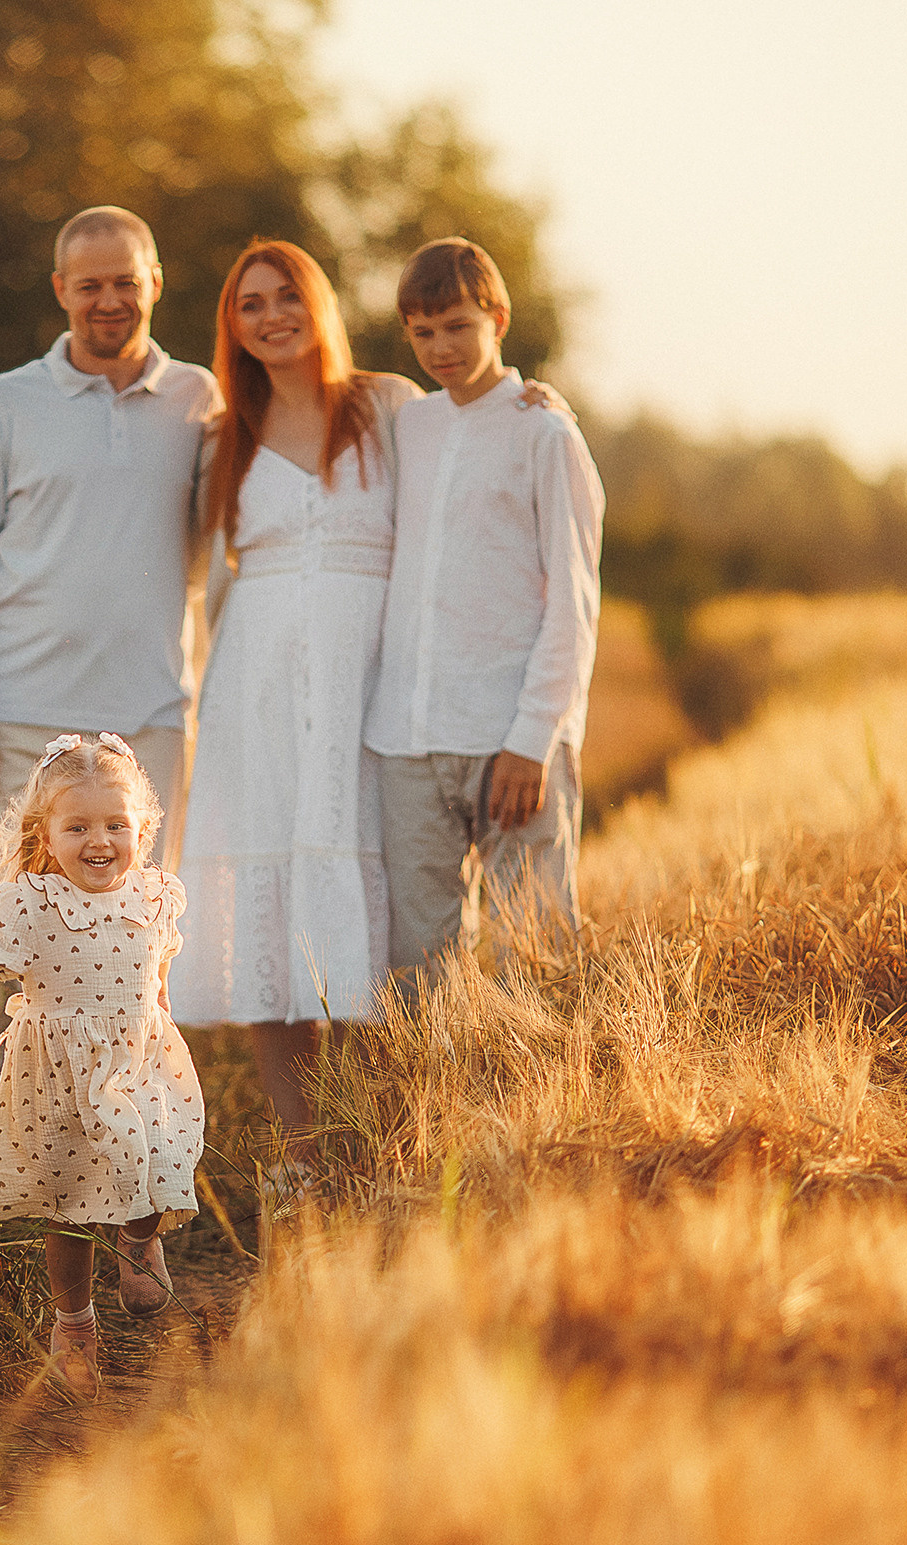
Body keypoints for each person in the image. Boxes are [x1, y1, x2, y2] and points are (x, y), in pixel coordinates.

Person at [173, 238, 564, 1202]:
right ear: (233, 324)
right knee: (272, 909)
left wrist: (535, 400)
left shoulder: (389, 407)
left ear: (319, 306)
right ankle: (302, 1152)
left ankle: (377, 1131)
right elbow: (181, 572)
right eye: (249, 303)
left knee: (368, 902)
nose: (270, 317)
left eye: (286, 298)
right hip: (256, 687)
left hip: (368, 683)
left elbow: (477, 434)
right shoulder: (224, 437)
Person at [0, 206, 218, 1129]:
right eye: (88, 283)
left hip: (146, 716)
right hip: (15, 711)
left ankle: (125, 1140)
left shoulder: (201, 401)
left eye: (125, 280)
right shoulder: (5, 403)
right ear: (60, 290)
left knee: (136, 938)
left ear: (155, 282)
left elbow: (307, 412)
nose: (108, 299)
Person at [0, 735, 204, 1398]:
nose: (99, 841)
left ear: (142, 830)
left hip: (137, 1058)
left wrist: (162, 1027)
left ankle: (139, 1240)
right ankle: (73, 1324)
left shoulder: (155, 895)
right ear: (45, 833)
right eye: (78, 827)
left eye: (115, 825)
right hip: (56, 1074)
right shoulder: (29, 903)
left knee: (151, 1154)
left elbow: (156, 971)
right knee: (68, 1205)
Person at [363, 237, 605, 995]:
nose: (441, 347)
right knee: (415, 968)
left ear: (497, 316)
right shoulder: (410, 426)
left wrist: (534, 738)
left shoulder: (546, 432)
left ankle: (536, 1113)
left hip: (511, 739)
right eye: (424, 332)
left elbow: (574, 598)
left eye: (459, 326)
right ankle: (435, 1114)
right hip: (407, 739)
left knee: (533, 955)